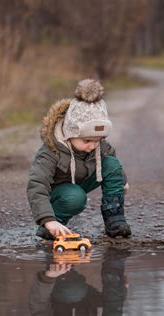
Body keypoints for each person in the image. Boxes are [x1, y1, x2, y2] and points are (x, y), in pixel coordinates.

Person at [27, 79, 131, 240]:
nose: (92, 146)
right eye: (87, 141)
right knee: (75, 197)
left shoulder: (97, 145)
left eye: (98, 140)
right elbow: (37, 185)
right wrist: (48, 220)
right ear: (71, 133)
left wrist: (121, 181)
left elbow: (111, 158)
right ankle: (53, 226)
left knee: (111, 163)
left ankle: (115, 219)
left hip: (81, 181)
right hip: (59, 192)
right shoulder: (51, 151)